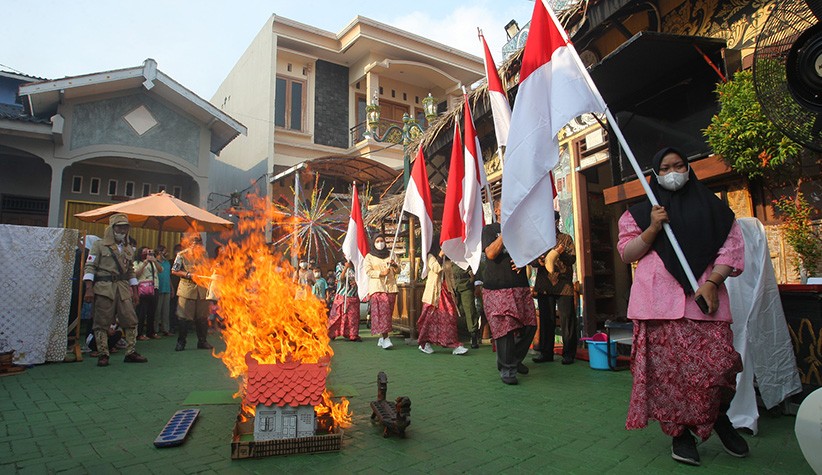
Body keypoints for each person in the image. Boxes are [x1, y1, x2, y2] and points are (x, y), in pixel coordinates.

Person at [617, 147, 747, 466]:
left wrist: (713, 282)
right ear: (655, 173)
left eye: (679, 165)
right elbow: (626, 253)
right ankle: (681, 435)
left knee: (719, 366)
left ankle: (717, 416)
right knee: (669, 378)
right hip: (657, 307)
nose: (673, 172)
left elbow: (731, 250)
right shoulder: (638, 212)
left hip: (704, 303)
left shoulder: (714, 209)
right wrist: (652, 228)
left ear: (689, 168)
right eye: (665, 167)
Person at [481, 201, 537, 385]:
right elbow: (490, 253)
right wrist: (505, 233)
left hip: (519, 286)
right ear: (497, 210)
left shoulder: (521, 230)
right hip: (497, 287)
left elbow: (531, 256)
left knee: (530, 325)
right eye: (503, 207)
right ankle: (508, 369)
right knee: (505, 328)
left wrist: (523, 261)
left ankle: (513, 358)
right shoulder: (489, 230)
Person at [82, 213, 148, 367]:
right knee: (101, 322)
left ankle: (131, 352)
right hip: (104, 288)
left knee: (131, 320)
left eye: (125, 227)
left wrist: (135, 292)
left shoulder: (128, 248)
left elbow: (130, 271)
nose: (123, 230)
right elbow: (90, 267)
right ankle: (103, 353)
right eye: (119, 226)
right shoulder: (99, 245)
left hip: (123, 288)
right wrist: (88, 289)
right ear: (112, 228)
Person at [531, 211, 577, 365]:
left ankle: (569, 353)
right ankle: (546, 352)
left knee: (567, 319)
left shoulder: (566, 239)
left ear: (557, 221)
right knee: (546, 319)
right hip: (545, 284)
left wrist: (560, 254)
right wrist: (540, 260)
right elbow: (532, 261)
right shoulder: (540, 240)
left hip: (563, 285)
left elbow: (572, 259)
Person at [417, 240, 468, 355]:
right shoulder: (430, 256)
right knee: (428, 320)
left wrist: (453, 292)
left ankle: (454, 344)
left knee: (449, 318)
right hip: (433, 295)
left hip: (446, 292)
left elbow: (450, 276)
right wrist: (440, 255)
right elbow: (436, 268)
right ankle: (424, 343)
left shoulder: (448, 259)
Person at [171, 234, 213, 351]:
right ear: (189, 243)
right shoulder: (182, 255)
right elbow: (174, 270)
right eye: (195, 242)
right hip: (187, 289)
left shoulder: (204, 254)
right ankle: (181, 342)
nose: (198, 244)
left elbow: (207, 269)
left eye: (199, 242)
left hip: (201, 289)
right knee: (183, 317)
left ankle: (202, 341)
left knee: (203, 317)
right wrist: (188, 275)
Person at [364, 234, 399, 349]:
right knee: (382, 313)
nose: (380, 243)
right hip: (377, 288)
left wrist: (394, 265)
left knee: (388, 314)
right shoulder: (369, 256)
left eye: (382, 241)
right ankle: (386, 338)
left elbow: (399, 269)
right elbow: (368, 271)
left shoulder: (391, 253)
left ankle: (382, 336)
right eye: (377, 241)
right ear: (374, 243)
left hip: (391, 288)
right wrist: (380, 273)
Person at [448, 262, 481, 348]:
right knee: (456, 311)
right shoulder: (449, 255)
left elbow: (475, 269)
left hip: (466, 285)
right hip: (453, 286)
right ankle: (459, 334)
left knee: (470, 310)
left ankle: (473, 336)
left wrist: (473, 282)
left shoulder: (467, 255)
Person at [328, 260, 361, 341]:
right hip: (342, 295)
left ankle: (352, 335)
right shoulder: (339, 265)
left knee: (352, 317)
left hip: (353, 295)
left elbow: (361, 278)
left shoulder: (357, 264)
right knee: (337, 316)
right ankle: (332, 333)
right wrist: (346, 267)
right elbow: (340, 278)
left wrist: (356, 282)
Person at [133, 246, 160, 340]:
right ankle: (139, 333)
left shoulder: (152, 263)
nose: (147, 255)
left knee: (152, 312)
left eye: (148, 253)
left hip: (154, 288)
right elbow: (136, 274)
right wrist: (144, 263)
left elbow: (160, 270)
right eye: (145, 253)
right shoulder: (136, 263)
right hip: (143, 289)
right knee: (141, 312)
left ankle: (150, 332)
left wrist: (154, 260)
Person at [154, 245, 173, 336]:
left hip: (167, 289)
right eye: (165, 251)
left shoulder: (167, 263)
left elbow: (168, 276)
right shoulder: (154, 262)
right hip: (158, 288)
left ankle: (166, 329)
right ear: (159, 252)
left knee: (166, 311)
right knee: (157, 310)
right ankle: (155, 330)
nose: (167, 253)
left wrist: (171, 288)